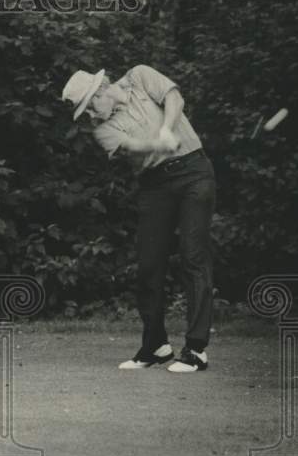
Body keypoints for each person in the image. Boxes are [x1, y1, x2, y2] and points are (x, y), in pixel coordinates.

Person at [61, 64, 216, 373]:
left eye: (90, 107)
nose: (91, 116)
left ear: (101, 90)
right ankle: (156, 346)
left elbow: (175, 99)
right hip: (154, 184)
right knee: (148, 265)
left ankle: (196, 350)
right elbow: (133, 146)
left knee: (192, 257)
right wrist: (157, 143)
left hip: (194, 173)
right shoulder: (103, 128)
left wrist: (167, 128)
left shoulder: (140, 75)